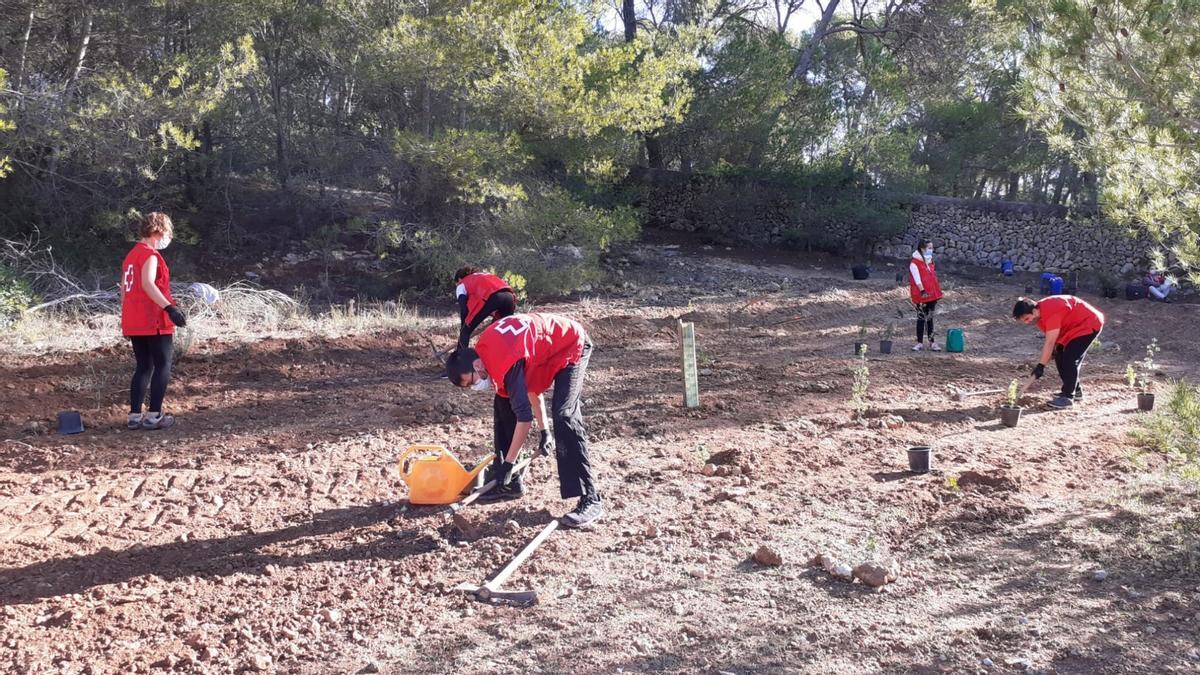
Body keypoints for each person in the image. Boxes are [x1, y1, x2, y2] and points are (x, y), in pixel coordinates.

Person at [444, 313, 602, 528]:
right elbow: (529, 387)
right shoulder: (488, 353)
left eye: (471, 381)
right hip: (545, 351)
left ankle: (590, 498)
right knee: (503, 401)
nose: (475, 386)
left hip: (572, 343)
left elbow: (524, 417)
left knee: (564, 415)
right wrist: (545, 431)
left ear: (477, 365)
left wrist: (509, 462)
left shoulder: (502, 360)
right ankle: (510, 484)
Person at [119, 212, 187, 430]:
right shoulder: (150, 255)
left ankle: (134, 416)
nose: (168, 237)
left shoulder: (130, 256)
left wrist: (126, 318)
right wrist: (170, 308)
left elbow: (124, 292)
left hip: (134, 320)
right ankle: (154, 415)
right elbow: (148, 284)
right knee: (163, 364)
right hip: (153, 319)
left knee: (143, 367)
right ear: (158, 231)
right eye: (167, 232)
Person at [1012, 295, 1104, 409]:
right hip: (1072, 328)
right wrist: (1053, 353)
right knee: (1059, 354)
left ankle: (1068, 397)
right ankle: (1076, 390)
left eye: (1027, 318)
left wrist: (1041, 366)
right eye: (1024, 321)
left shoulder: (1051, 312)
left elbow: (1049, 342)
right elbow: (1053, 341)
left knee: (1070, 358)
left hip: (1088, 323)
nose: (1027, 322)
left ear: (1034, 310)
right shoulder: (1040, 317)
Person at [454, 266, 517, 349]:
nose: (456, 285)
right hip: (510, 297)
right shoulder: (483, 276)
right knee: (503, 331)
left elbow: (464, 308)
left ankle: (460, 359)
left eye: (456, 283)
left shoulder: (461, 284)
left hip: (492, 297)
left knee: (465, 331)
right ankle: (504, 358)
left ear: (459, 279)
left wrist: (464, 327)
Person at [908, 239, 943, 352]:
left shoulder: (930, 261)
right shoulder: (914, 263)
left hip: (932, 295)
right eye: (929, 248)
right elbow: (917, 279)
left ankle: (932, 343)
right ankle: (919, 343)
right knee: (921, 318)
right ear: (922, 249)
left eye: (932, 248)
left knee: (930, 318)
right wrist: (923, 291)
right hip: (922, 295)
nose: (931, 250)